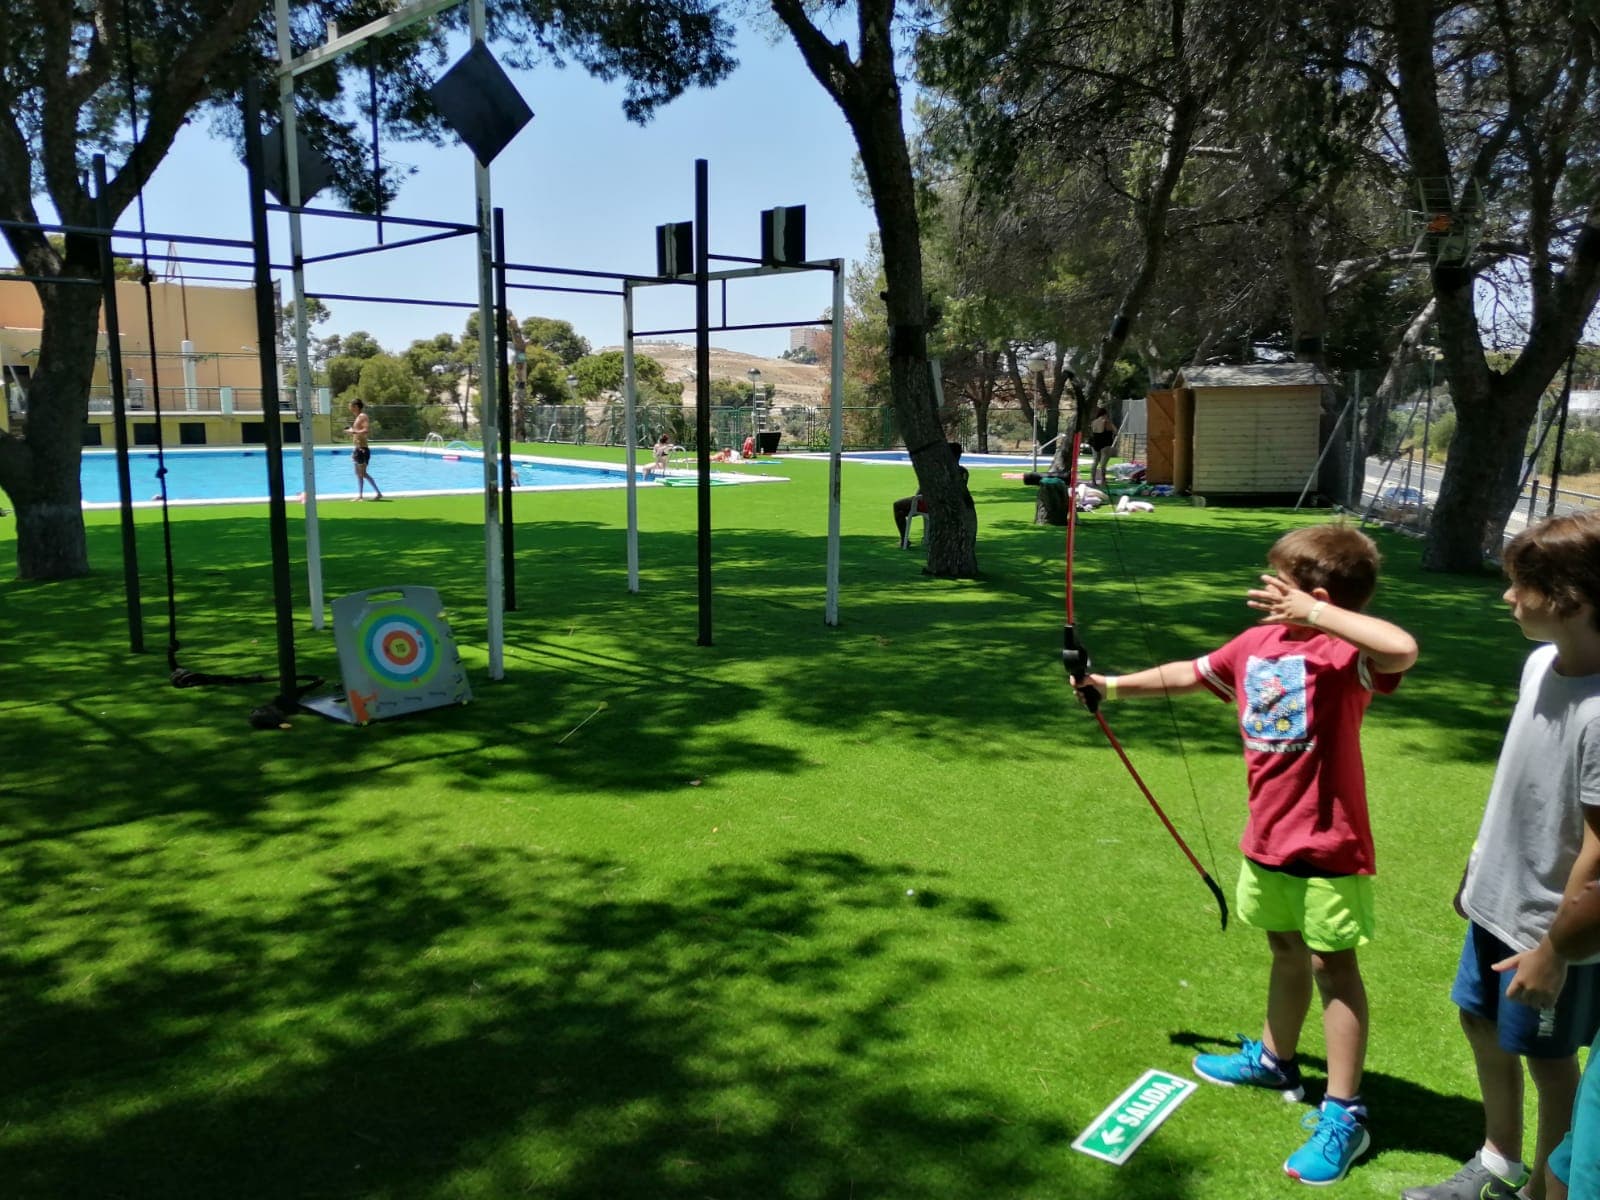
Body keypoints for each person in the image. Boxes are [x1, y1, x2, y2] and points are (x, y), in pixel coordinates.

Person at [1074, 524, 1418, 1186]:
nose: (1265, 587)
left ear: (1314, 593)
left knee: (1332, 968)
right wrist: (1108, 685)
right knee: (1286, 952)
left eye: (1278, 579)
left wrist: (1319, 616)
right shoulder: (1255, 644)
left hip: (1329, 844)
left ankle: (1344, 1111)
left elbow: (1401, 648)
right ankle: (1274, 1057)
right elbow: (1192, 673)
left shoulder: (1346, 654)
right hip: (1268, 837)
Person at [1403, 511, 1600, 1200]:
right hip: (1498, 897)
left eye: (1522, 585)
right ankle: (1497, 1161)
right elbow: (1521, 781)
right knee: (1478, 1017)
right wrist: (1478, 864)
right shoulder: (1540, 662)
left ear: (1570, 598)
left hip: (1553, 929)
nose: (1508, 597)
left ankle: (1547, 1193)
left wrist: (1556, 949)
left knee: (1549, 1062)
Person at [893, 442, 972, 547]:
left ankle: (904, 539)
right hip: (953, 506)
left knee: (898, 506)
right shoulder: (963, 472)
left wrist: (917, 497)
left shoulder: (938, 470)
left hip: (932, 505)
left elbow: (924, 489)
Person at [345, 399, 382, 500]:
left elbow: (366, 430)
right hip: (358, 449)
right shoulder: (357, 417)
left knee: (362, 473)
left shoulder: (363, 416)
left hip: (362, 449)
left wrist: (353, 432)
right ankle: (362, 495)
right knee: (359, 473)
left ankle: (370, 494)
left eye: (351, 405)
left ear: (356, 406)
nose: (349, 407)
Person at [1087, 405, 1117, 488]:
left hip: (1095, 442)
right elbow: (1115, 430)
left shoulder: (1094, 422)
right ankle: (1103, 481)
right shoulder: (1106, 421)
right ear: (1105, 414)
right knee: (1103, 464)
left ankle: (1093, 481)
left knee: (1095, 461)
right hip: (1105, 442)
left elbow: (1093, 431)